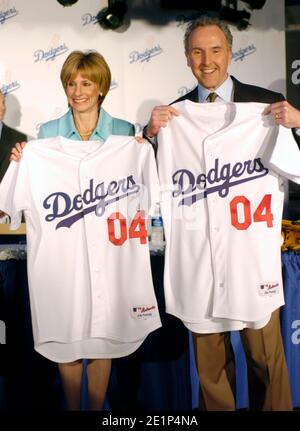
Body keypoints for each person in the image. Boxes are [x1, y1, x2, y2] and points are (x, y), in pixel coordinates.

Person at [143, 16, 300, 411]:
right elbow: (144, 185)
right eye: (197, 51)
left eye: (215, 50)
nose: (206, 60)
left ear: (230, 53)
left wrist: (299, 124)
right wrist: (147, 137)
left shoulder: (266, 107)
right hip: (198, 261)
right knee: (211, 368)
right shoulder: (173, 117)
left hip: (252, 258)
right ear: (186, 58)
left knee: (267, 360)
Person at [9, 50, 157, 412]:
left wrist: (145, 149)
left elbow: (147, 194)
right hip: (65, 255)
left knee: (103, 337)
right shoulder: (46, 135)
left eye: (86, 83)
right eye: (72, 83)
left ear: (101, 87)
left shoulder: (125, 134)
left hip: (111, 252)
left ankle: (97, 408)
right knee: (68, 333)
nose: (78, 91)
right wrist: (21, 158)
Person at [0, 90, 27, 218]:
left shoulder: (19, 138)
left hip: (9, 216)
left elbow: (22, 181)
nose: (2, 108)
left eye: (3, 102)